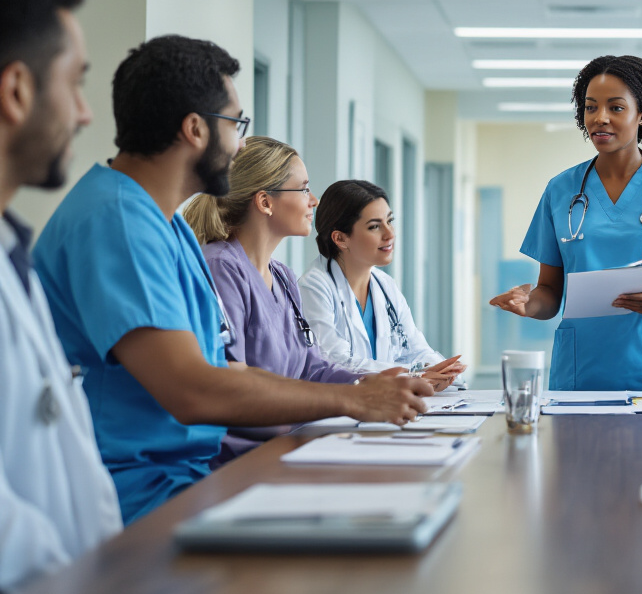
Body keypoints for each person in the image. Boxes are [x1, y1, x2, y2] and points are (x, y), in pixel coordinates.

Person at [32, 35, 436, 524]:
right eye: (236, 123)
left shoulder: (168, 228)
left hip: (189, 476)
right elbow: (193, 389)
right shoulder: (118, 222)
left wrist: (369, 385)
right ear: (195, 129)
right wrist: (354, 398)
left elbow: (234, 369)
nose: (242, 143)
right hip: (143, 492)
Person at [489, 55, 642, 392]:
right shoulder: (561, 190)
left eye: (615, 108)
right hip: (581, 370)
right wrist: (527, 304)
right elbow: (549, 294)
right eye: (590, 107)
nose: (600, 118)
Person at [0, 0, 121, 593]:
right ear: (17, 91)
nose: (82, 113)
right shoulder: (108, 219)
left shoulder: (13, 253)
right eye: (75, 83)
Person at [183, 138, 381, 462]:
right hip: (238, 460)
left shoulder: (284, 278)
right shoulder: (220, 268)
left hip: (290, 446)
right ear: (265, 202)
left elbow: (312, 368)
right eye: (303, 189)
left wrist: (375, 382)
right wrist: (353, 398)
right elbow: (231, 381)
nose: (313, 201)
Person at [299, 179, 464, 383]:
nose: (390, 234)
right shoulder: (314, 287)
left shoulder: (385, 286)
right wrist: (414, 374)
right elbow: (334, 361)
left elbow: (417, 349)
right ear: (340, 239)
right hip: (343, 407)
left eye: (390, 221)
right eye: (375, 226)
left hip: (388, 404)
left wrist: (441, 370)